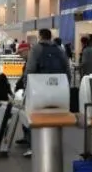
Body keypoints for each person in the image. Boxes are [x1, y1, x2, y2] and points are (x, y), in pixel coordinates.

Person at [23, 29, 71, 157]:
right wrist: (66, 87)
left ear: (40, 37)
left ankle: (34, 146)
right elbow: (67, 69)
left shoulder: (36, 49)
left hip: (40, 89)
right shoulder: (59, 50)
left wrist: (26, 85)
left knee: (34, 115)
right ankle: (53, 146)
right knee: (54, 116)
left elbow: (31, 68)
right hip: (58, 89)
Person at [14, 42, 32, 148]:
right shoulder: (28, 61)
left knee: (28, 116)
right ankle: (26, 138)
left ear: (26, 50)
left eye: (21, 53)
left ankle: (30, 141)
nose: (20, 55)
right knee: (24, 115)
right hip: (26, 90)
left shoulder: (32, 61)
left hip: (31, 92)